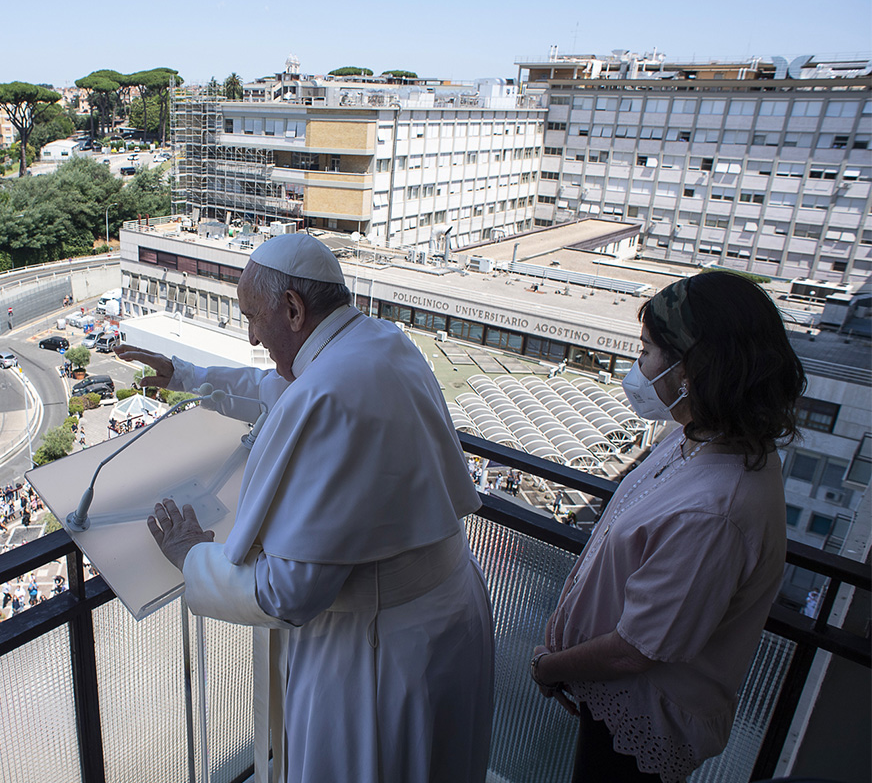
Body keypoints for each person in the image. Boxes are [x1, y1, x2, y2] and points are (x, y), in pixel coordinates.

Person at [117, 233, 494, 783]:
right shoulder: (378, 343)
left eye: (252, 317)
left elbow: (288, 591)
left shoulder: (329, 393)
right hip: (446, 616)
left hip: (379, 655)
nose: (249, 336)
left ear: (292, 309)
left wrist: (195, 555)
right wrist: (186, 375)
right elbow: (278, 387)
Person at [530, 271, 806, 783]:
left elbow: (638, 649)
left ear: (691, 371)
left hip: (643, 719)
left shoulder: (714, 512)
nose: (639, 366)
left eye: (649, 350)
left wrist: (550, 667)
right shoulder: (696, 438)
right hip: (610, 699)